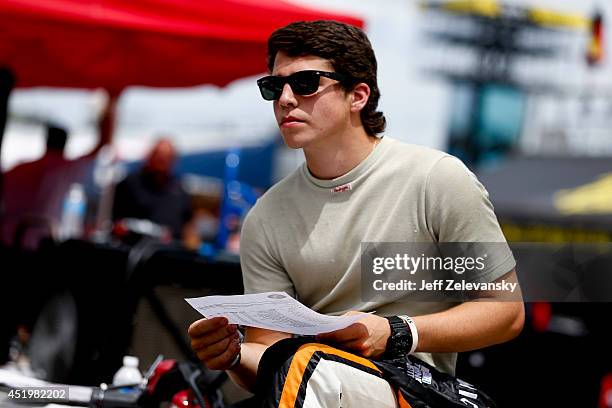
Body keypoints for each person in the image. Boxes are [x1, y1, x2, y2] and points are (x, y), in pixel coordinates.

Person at [188, 20, 524, 406]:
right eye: (273, 86)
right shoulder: (265, 216)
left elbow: (505, 312)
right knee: (301, 369)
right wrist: (231, 355)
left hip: (415, 390)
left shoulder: (437, 179)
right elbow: (267, 356)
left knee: (308, 368)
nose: (284, 99)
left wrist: (398, 332)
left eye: (305, 83)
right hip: (309, 384)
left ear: (358, 95)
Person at [1, 121, 111, 248]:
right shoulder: (65, 168)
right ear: (65, 144)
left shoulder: (19, 168)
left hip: (6, 237)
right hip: (41, 242)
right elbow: (102, 144)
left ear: (46, 141)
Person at [112, 138, 195, 244]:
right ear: (150, 156)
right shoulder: (130, 184)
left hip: (170, 252)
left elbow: (188, 225)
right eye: (159, 156)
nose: (162, 161)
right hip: (134, 249)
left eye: (166, 157)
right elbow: (114, 220)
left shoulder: (180, 190)